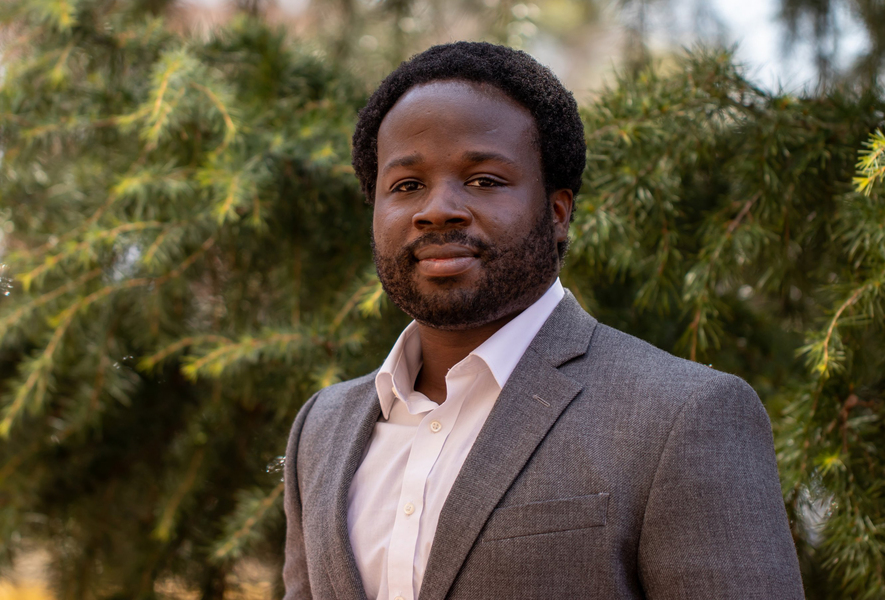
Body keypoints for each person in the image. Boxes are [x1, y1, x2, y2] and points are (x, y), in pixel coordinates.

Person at [282, 41, 804, 600]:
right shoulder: (322, 427)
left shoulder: (683, 417)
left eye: (483, 180)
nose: (437, 208)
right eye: (407, 186)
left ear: (557, 212)